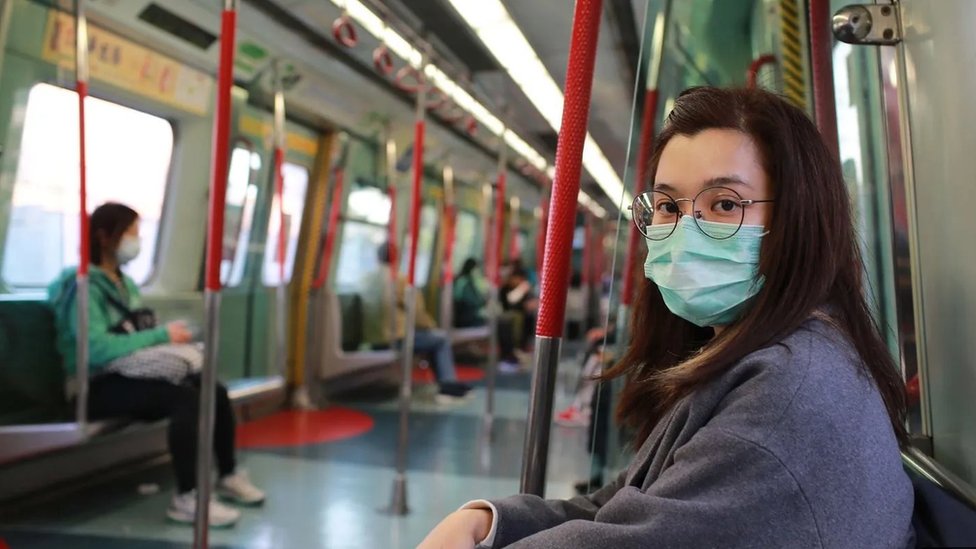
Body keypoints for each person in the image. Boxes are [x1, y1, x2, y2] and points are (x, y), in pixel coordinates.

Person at [418, 87, 914, 547]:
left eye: (725, 204)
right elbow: (629, 505)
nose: (686, 232)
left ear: (797, 221)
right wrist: (487, 523)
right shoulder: (769, 357)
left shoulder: (788, 399)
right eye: (668, 206)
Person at [48, 203, 264, 528]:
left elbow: (134, 335)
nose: (137, 240)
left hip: (127, 375)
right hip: (95, 385)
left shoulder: (124, 283)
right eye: (131, 232)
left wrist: (161, 337)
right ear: (105, 236)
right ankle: (187, 498)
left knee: (212, 389)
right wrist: (160, 336)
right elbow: (95, 349)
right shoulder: (83, 288)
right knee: (185, 400)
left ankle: (228, 473)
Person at [366, 243, 472, 403]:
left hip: (372, 339)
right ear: (397, 258)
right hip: (395, 339)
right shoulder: (400, 280)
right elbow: (417, 313)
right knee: (440, 339)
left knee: (431, 339)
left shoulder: (367, 279)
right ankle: (448, 386)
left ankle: (445, 383)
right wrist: (432, 326)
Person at [453, 258, 520, 373]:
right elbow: (471, 302)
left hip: (472, 316)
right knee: (501, 323)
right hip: (467, 319)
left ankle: (509, 355)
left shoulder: (470, 281)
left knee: (504, 320)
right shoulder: (463, 283)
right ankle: (507, 357)